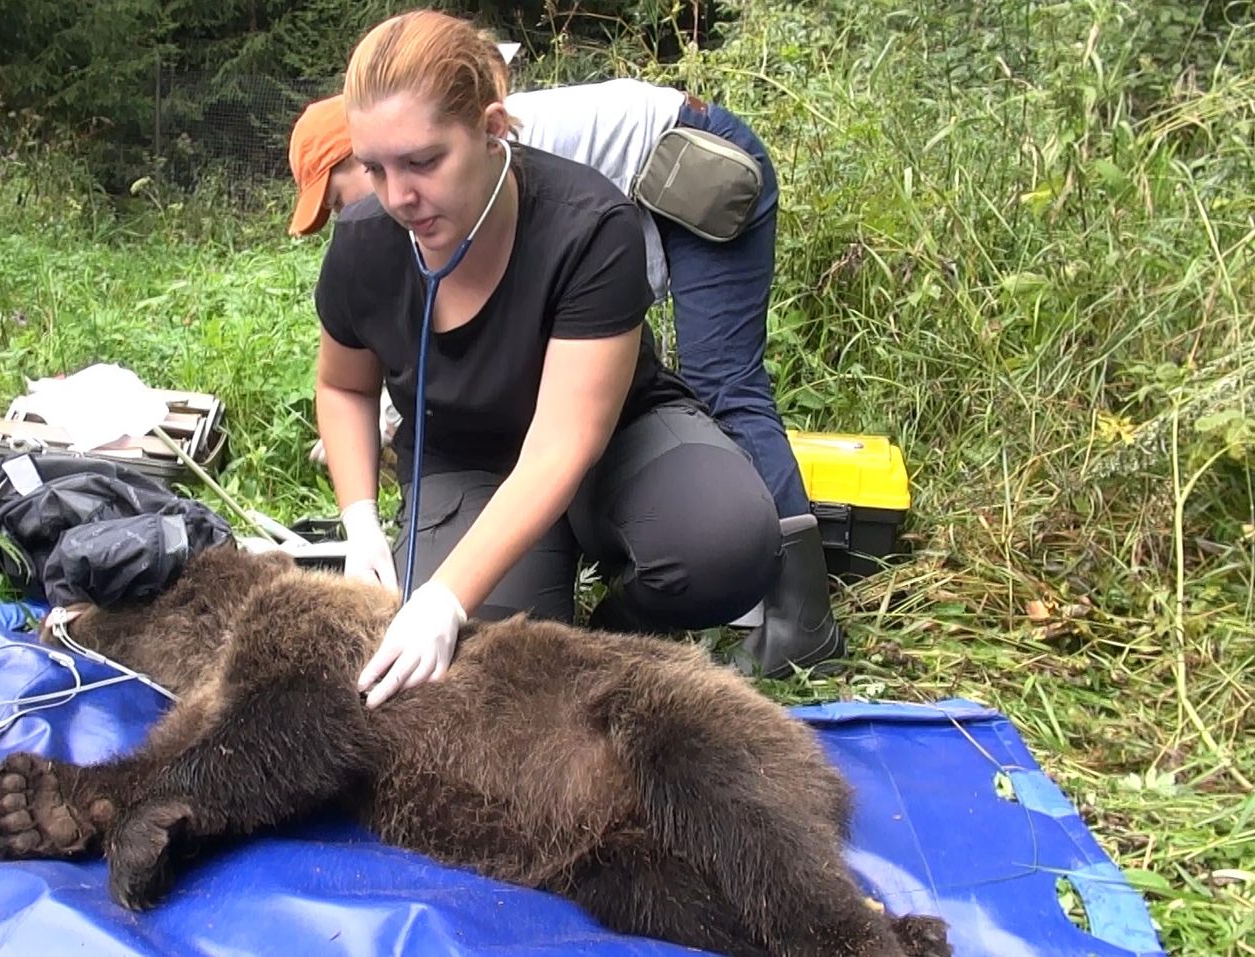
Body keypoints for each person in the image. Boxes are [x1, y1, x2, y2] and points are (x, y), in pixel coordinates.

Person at [289, 33, 841, 683]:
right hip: (470, 460)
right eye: (376, 169)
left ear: (491, 130)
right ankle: (537, 606)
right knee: (482, 671)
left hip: (608, 445)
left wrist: (443, 595)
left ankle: (613, 632)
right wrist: (359, 522)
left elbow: (563, 442)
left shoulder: (589, 227)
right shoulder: (363, 244)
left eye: (423, 162)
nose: (397, 197)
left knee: (724, 541)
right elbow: (345, 387)